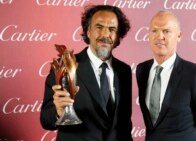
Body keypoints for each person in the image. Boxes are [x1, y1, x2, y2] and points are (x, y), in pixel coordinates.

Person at [40, 5, 133, 141]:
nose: (105, 34)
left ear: (118, 35)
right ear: (88, 31)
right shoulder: (65, 65)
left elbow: (124, 124)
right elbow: (45, 120)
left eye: (112, 29)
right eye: (99, 27)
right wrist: (58, 112)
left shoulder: (124, 71)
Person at [136, 10, 196, 141]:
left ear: (179, 36)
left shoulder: (194, 75)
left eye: (166, 31)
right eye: (154, 31)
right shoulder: (142, 70)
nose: (159, 36)